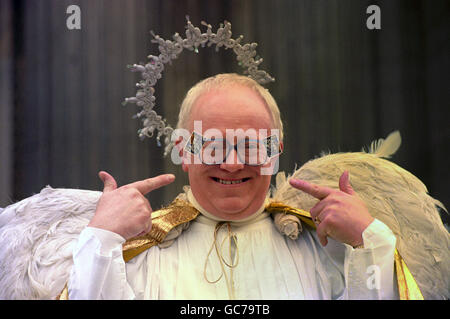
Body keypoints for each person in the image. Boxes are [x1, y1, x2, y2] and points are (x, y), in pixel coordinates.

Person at [67, 73, 397, 299]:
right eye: (213, 144)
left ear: (276, 151)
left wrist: (370, 240)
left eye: (252, 145)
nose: (233, 163)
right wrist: (101, 239)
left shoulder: (326, 248)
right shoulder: (135, 251)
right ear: (183, 151)